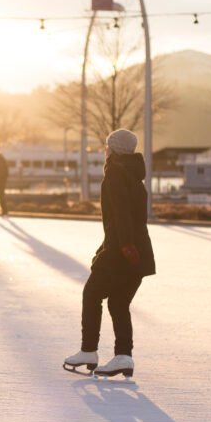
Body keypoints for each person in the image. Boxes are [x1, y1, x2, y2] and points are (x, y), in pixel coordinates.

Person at [63, 129, 155, 380]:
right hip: (139, 252)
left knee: (91, 293)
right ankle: (123, 355)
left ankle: (88, 351)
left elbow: (122, 217)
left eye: (107, 146)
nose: (105, 150)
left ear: (113, 149)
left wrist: (123, 248)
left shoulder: (115, 173)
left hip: (122, 251)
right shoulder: (135, 176)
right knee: (118, 302)